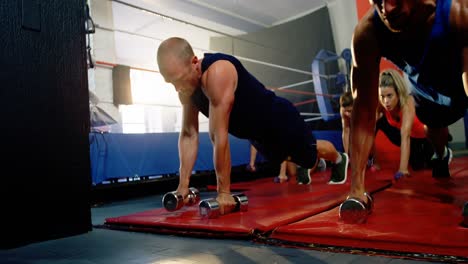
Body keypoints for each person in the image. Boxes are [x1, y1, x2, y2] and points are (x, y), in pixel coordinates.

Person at [156, 37, 349, 215]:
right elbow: (189, 134)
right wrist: (183, 186)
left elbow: (219, 135)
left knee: (310, 156)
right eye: (171, 83)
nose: (177, 88)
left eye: (180, 80)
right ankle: (315, 161)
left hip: (280, 121)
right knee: (290, 158)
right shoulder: (186, 90)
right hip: (257, 135)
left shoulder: (217, 72)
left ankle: (339, 158)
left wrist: (224, 193)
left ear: (194, 62)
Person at [347, 0, 467, 208]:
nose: (387, 9)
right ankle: (441, 154)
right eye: (378, 0)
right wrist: (356, 191)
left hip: (461, 80)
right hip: (424, 91)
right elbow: (363, 111)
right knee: (434, 131)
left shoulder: (459, 12)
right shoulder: (368, 33)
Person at [375, 69, 435, 178]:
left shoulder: (407, 102)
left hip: (423, 139)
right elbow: (367, 129)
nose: (385, 101)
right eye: (382, 96)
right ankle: (371, 160)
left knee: (421, 166)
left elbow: (405, 135)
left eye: (389, 95)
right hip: (407, 138)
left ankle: (441, 146)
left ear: (398, 93)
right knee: (373, 123)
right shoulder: (380, 104)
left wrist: (402, 170)